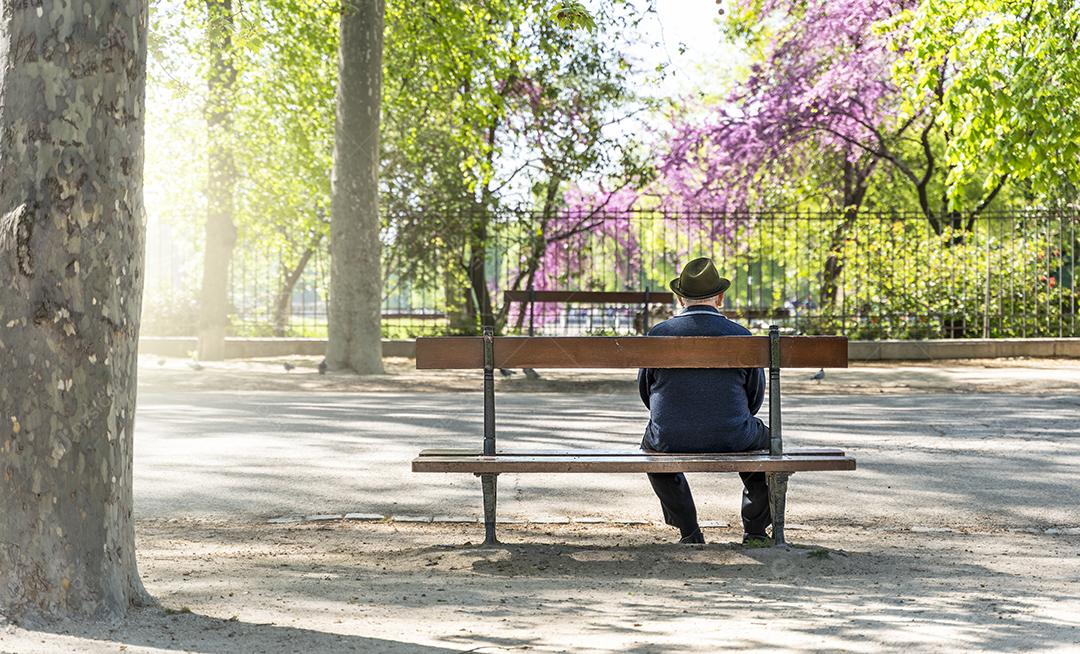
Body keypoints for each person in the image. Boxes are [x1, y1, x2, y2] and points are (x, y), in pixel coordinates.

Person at [638, 257, 771, 544]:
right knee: (770, 444)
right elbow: (755, 395)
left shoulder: (659, 335)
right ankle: (756, 530)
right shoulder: (741, 336)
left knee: (651, 448)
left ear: (680, 298)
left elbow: (646, 390)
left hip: (670, 436)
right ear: (721, 297)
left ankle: (688, 530)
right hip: (734, 433)